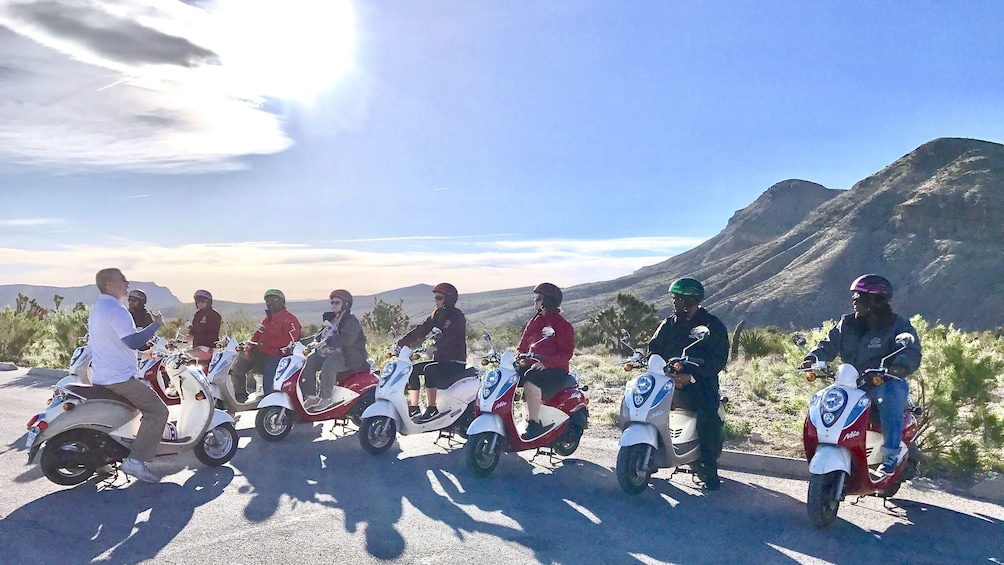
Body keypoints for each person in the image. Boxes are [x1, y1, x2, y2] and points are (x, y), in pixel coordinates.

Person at [800, 274, 921, 475]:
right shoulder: (847, 324)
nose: (855, 300)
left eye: (861, 296)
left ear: (878, 300)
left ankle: (891, 454)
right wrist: (813, 358)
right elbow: (828, 344)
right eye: (855, 295)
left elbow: (910, 350)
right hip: (851, 382)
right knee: (823, 400)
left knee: (891, 395)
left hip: (882, 381)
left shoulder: (897, 326)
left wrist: (899, 367)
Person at [648, 277, 729, 490]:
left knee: (707, 415)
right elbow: (654, 347)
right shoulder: (668, 324)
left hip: (699, 382)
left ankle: (709, 468)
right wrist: (654, 362)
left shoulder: (712, 325)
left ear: (692, 300)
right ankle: (650, 449)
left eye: (679, 298)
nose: (675, 302)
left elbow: (718, 359)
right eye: (674, 298)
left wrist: (692, 376)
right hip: (667, 381)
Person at [88, 268, 168, 483]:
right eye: (122, 280)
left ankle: (103, 458)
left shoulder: (98, 308)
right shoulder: (116, 310)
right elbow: (132, 341)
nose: (127, 282)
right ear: (109, 285)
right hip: (119, 378)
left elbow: (112, 344)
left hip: (103, 375)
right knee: (158, 412)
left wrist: (142, 354)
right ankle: (136, 461)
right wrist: (157, 325)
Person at [396, 283, 467, 422]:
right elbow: (421, 330)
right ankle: (414, 408)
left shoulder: (457, 316)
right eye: (435, 298)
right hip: (440, 361)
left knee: (430, 370)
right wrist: (401, 342)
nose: (436, 300)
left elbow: (450, 335)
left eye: (439, 298)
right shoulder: (437, 314)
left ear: (449, 299)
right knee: (413, 369)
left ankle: (432, 408)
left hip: (455, 362)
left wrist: (436, 346)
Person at [517, 282, 574, 441]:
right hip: (532, 364)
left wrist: (546, 364)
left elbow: (566, 353)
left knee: (531, 379)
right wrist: (518, 357)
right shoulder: (533, 322)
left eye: (539, 298)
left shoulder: (562, 325)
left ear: (547, 301)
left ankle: (534, 424)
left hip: (555, 369)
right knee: (506, 376)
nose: (535, 301)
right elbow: (521, 346)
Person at [300, 289, 369, 412]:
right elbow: (319, 336)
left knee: (329, 365)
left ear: (346, 304)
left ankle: (326, 398)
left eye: (337, 302)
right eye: (332, 302)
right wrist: (301, 342)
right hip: (327, 352)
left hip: (348, 355)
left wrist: (327, 342)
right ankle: (311, 397)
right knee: (309, 361)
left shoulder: (351, 321)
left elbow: (347, 339)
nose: (333, 305)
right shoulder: (331, 319)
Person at [232, 289, 302, 402]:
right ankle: (239, 395)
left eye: (274, 300)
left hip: (277, 355)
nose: (270, 303)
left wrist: (269, 344)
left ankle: (269, 402)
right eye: (267, 301)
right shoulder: (267, 320)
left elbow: (291, 339)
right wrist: (249, 346)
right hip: (261, 352)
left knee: (269, 378)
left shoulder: (290, 319)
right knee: (237, 366)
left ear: (282, 301)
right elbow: (257, 334)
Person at [188, 289, 222, 363]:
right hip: (198, 347)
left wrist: (195, 337)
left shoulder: (215, 316)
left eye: (203, 301)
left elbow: (213, 334)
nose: (200, 303)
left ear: (208, 302)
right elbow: (194, 329)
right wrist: (190, 334)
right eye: (198, 301)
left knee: (186, 355)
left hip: (208, 348)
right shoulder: (197, 315)